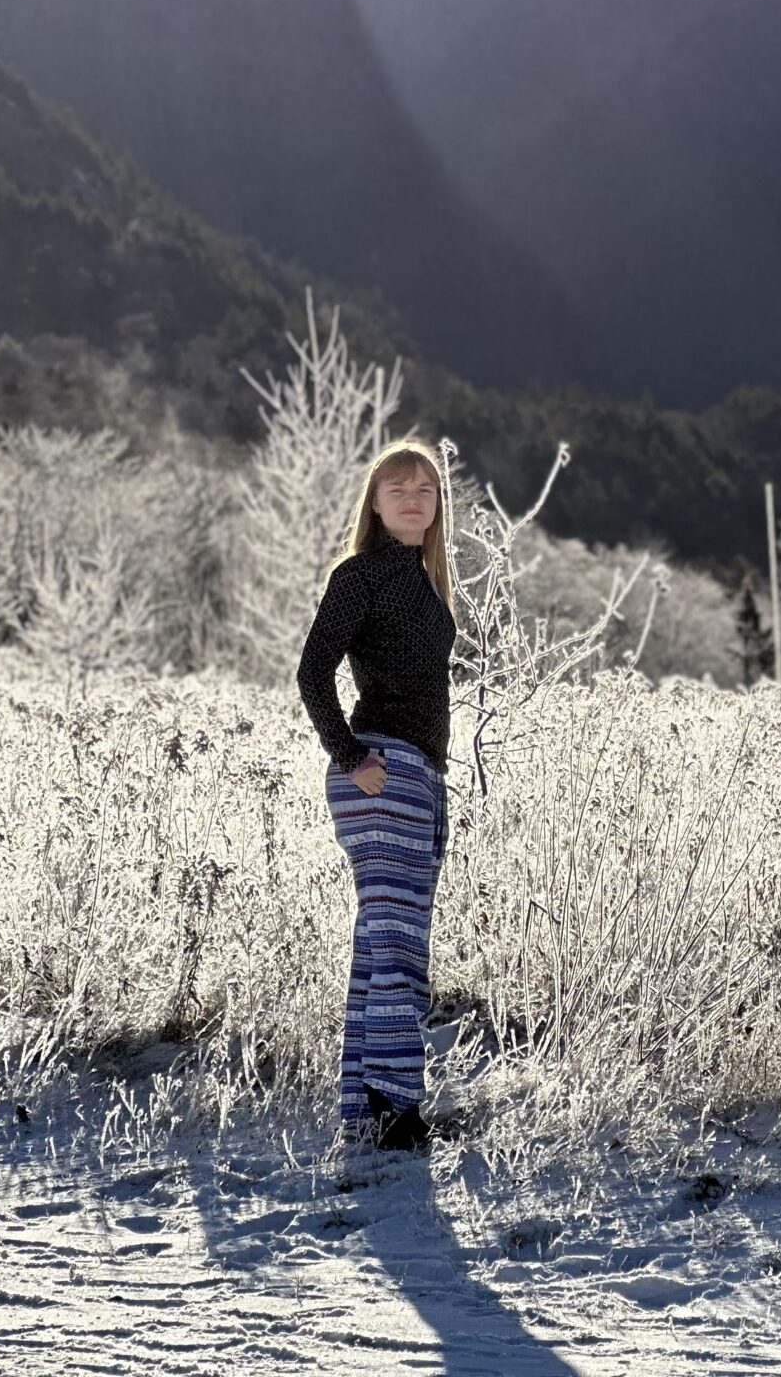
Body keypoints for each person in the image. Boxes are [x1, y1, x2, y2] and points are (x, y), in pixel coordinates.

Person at [297, 440, 459, 1152]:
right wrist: (349, 754)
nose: (414, 497)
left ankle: (369, 1109)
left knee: (383, 945)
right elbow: (311, 672)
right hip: (381, 770)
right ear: (374, 501)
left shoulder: (426, 582)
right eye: (398, 487)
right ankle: (399, 1112)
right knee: (397, 947)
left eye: (425, 487)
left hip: (417, 773)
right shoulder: (359, 576)